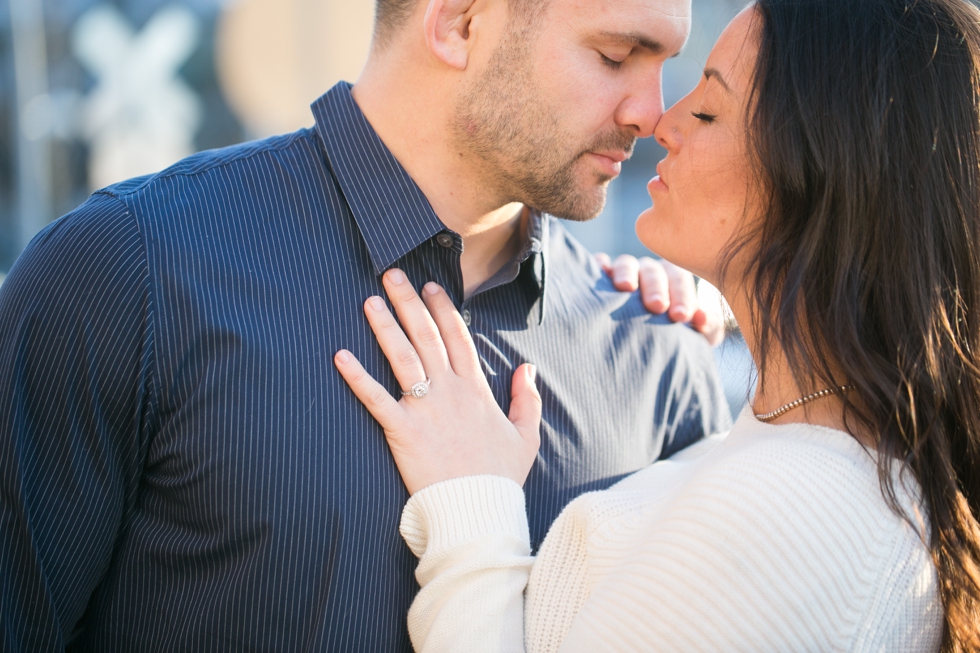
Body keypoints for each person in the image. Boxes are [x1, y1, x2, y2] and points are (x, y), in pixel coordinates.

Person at [0, 0, 731, 650]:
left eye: (665, 64)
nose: (653, 113)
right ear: (459, 23)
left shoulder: (660, 356)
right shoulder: (128, 271)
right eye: (615, 56)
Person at [336, 0, 980, 650]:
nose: (660, 121)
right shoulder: (793, 448)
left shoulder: (792, 512)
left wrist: (471, 506)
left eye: (708, 110)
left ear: (824, 176)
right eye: (616, 57)